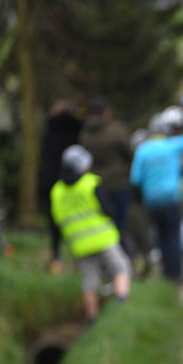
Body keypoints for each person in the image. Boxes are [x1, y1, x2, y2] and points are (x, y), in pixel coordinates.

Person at [50, 145, 131, 323]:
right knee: (121, 268)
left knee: (89, 282)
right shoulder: (91, 183)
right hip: (103, 239)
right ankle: (122, 306)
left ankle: (92, 318)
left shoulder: (56, 191)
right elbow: (110, 210)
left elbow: (55, 226)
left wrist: (56, 255)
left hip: (78, 245)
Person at [130, 100, 183, 282]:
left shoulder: (142, 151)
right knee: (173, 237)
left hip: (151, 202)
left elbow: (135, 179)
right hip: (171, 199)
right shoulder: (172, 146)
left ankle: (166, 276)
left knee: (160, 238)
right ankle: (177, 275)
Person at [78, 97, 136, 263]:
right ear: (106, 112)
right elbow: (130, 153)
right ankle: (125, 265)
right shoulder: (116, 131)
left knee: (103, 225)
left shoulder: (84, 135)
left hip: (95, 187)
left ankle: (106, 265)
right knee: (121, 225)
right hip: (117, 183)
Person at [38, 100, 83, 274]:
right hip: (73, 180)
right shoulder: (76, 127)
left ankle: (56, 257)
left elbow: (44, 154)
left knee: (55, 221)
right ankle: (79, 257)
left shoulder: (49, 129)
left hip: (52, 181)